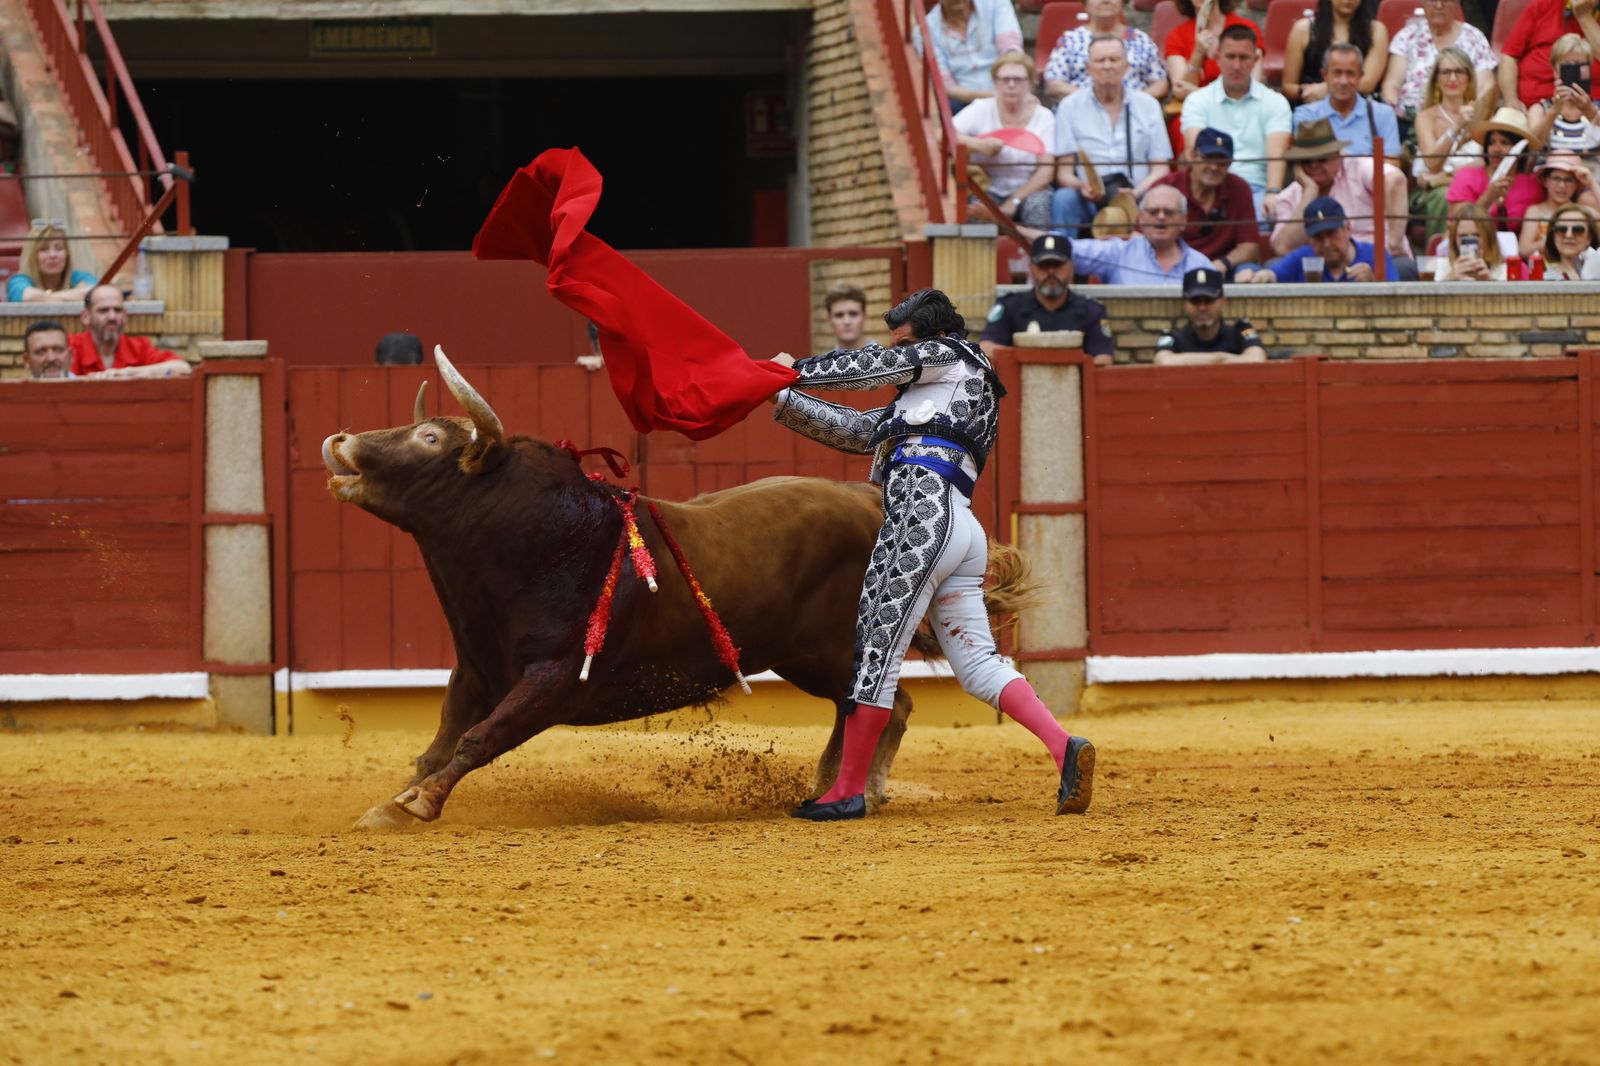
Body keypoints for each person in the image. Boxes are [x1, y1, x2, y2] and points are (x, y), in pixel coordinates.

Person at [766, 288, 1096, 821]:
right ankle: (1065, 748)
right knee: (979, 665)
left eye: (905, 344)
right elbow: (855, 431)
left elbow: (874, 364)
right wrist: (777, 395)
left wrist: (793, 370)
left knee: (876, 649)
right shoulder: (921, 398)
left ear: (934, 338)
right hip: (958, 527)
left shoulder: (954, 355)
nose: (899, 355)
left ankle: (847, 791)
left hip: (920, 517)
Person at [1051, 35, 1174, 233]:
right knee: (1064, 198)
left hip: (1138, 196)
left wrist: (1136, 193)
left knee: (1165, 197)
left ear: (1126, 66)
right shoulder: (1070, 107)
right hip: (1090, 197)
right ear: (1088, 67)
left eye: (1114, 59)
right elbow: (1064, 173)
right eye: (1100, 60)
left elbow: (1161, 168)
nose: (1107, 66)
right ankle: (1060, 259)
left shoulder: (1148, 105)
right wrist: (1082, 186)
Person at [1179, 24, 1293, 214]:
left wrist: (1273, 192)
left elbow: (1277, 154)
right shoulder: (1197, 101)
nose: (1236, 66)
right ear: (1217, 58)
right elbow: (1196, 154)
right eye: (1230, 57)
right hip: (1209, 186)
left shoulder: (1275, 102)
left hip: (1255, 187)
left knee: (1270, 214)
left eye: (1244, 57)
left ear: (1256, 60)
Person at [1269, 118, 1410, 263]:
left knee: (1402, 266)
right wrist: (1310, 192)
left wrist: (1395, 243)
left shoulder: (1358, 168)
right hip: (1323, 266)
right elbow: (1282, 248)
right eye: (1306, 160)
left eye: (1322, 158)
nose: (1314, 165)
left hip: (1375, 258)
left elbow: (1395, 180)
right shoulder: (1288, 196)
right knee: (1273, 265)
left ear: (1338, 155)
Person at [978, 233, 1116, 365]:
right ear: (1031, 269)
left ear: (1072, 268)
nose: (1051, 272)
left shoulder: (1091, 310)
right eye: (1044, 265)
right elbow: (986, 348)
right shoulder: (1010, 306)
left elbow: (1103, 359)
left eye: (1057, 265)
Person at [953, 51, 1055, 226]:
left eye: (1019, 79)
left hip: (1028, 190)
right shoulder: (980, 109)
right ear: (995, 82)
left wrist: (1013, 201)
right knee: (974, 208)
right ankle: (979, 253)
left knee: (1038, 205)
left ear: (1030, 83)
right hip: (988, 187)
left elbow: (1046, 171)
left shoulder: (1044, 117)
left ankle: (1037, 252)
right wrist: (978, 145)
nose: (1011, 85)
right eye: (1004, 79)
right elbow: (943, 135)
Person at [1066, 184, 1214, 283]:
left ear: (1183, 221)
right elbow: (1068, 249)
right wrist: (1044, 238)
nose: (1161, 217)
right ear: (1141, 218)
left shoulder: (1200, 264)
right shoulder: (1118, 253)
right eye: (1153, 211)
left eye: (1169, 212)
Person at [1411, 48, 1486, 240]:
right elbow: (1432, 163)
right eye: (1445, 72)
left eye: (1459, 71)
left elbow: (1487, 160)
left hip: (1472, 183)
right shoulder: (1425, 117)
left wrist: (1446, 175)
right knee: (1445, 194)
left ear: (1469, 77)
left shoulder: (1482, 115)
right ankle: (1440, 253)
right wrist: (1457, 125)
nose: (1452, 78)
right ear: (1437, 79)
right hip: (1434, 192)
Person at [1380, 0, 1497, 120]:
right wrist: (1393, 111)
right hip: (1409, 119)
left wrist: (1471, 113)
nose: (1439, 6)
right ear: (1423, 3)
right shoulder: (1406, 36)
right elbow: (1392, 84)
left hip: (1462, 119)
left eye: (1445, 1)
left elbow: (1486, 86)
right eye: (1432, 1)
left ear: (1457, 3)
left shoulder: (1474, 37)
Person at [1241, 195, 1402, 281]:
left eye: (1332, 234)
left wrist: (1373, 283)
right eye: (1318, 237)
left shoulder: (1374, 255)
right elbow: (1272, 274)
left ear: (1347, 229)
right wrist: (1257, 276)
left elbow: (1396, 303)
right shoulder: (1304, 257)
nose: (1326, 243)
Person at [1291, 43, 1402, 163]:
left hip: (1369, 181)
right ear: (1324, 75)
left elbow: (1392, 164)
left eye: (1350, 73)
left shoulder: (1382, 114)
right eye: (1337, 73)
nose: (1343, 81)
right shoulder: (1307, 115)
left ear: (1360, 76)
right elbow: (1308, 162)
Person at [1043, 0, 1168, 102]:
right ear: (1085, 4)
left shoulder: (1141, 39)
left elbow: (1160, 83)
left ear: (1123, 3)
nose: (1105, 1)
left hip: (1134, 112)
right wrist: (1093, 99)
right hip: (1081, 111)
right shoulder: (1070, 40)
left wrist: (1133, 101)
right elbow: (1053, 83)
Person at [1447, 107, 1545, 234]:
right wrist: (1488, 198)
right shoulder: (1466, 177)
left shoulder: (1532, 185)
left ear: (1520, 150)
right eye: (1491, 143)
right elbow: (1458, 225)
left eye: (1504, 143)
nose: (1496, 149)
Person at [915, 0, 1024, 110]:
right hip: (962, 102)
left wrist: (1009, 89)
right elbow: (945, 85)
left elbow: (1011, 50)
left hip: (1005, 88)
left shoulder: (996, 3)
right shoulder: (924, 30)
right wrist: (987, 97)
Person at [68, 284, 191, 378]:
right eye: (103, 310)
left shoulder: (139, 347)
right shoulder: (70, 346)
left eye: (117, 310)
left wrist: (132, 372)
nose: (112, 317)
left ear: (125, 316)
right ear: (86, 317)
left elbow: (183, 368)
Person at [1164, 0, 1265, 114]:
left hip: (1239, 106)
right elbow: (1179, 90)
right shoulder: (1176, 36)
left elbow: (1251, 85)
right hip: (1196, 109)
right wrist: (1198, 53)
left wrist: (1196, 92)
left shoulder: (1247, 29)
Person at [1497, 0, 1600, 111]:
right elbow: (1509, 56)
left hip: (1591, 110)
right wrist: (1511, 100)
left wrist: (1584, 17)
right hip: (1530, 107)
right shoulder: (1543, 4)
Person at [1282, 0, 1389, 105]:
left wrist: (1327, 89)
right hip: (1312, 105)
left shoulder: (1376, 30)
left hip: (1358, 106)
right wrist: (1305, 91)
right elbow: (1288, 86)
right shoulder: (1303, 29)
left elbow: (1367, 84)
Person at [1153, 267, 1267, 364]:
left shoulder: (1240, 333)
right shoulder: (1175, 338)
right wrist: (1221, 357)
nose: (1202, 307)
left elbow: (1257, 359)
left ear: (1222, 303)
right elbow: (1163, 362)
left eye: (1209, 300)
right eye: (1195, 301)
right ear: (1185, 305)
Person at [1528, 34, 1600, 183]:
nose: (1574, 71)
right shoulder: (1539, 109)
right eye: (1568, 66)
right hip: (1550, 182)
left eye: (1579, 65)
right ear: (1555, 70)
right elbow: (1533, 146)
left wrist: (1589, 111)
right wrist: (1554, 111)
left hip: (1592, 181)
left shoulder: (1596, 109)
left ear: (1587, 70)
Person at [1519, 152, 1599, 255]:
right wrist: (1559, 237)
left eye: (1568, 180)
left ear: (1576, 184)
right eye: (1556, 178)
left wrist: (1592, 184)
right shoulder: (1536, 211)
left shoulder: (1582, 212)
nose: (1562, 185)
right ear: (1545, 181)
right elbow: (1524, 249)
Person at [6, 220, 95, 304]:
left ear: (67, 254)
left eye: (59, 248)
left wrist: (46, 297)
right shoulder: (17, 280)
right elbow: (30, 297)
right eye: (43, 249)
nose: (52, 255)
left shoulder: (79, 276)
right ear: (32, 255)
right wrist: (75, 295)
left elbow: (94, 294)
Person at [1433, 202, 1508, 279]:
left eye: (1476, 235)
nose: (1469, 242)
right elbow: (1433, 290)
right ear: (1454, 239)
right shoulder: (1444, 265)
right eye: (1463, 236)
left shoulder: (1501, 268)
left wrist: (1488, 281)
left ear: (1488, 237)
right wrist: (1451, 278)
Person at [1540, 202, 1600, 278]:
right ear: (1553, 236)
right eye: (1561, 229)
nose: (1568, 235)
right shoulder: (1546, 279)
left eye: (1578, 229)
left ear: (1589, 237)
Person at [825, 283, 872, 350]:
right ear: (829, 319)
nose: (847, 321)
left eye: (853, 314)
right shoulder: (824, 360)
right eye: (839, 315)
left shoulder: (887, 358)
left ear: (865, 316)